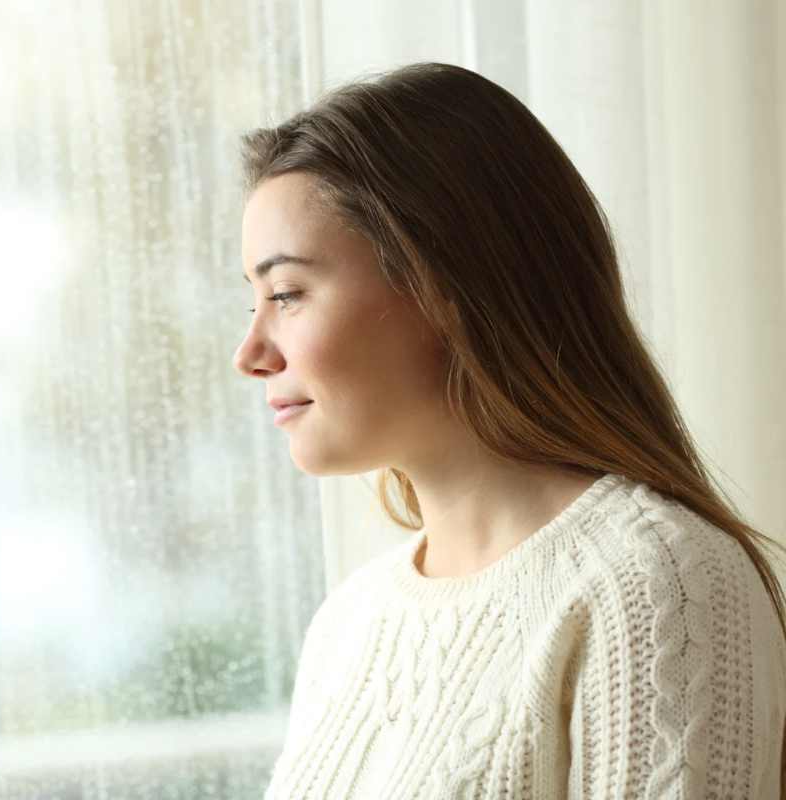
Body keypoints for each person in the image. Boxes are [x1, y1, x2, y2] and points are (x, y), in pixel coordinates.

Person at [232, 62, 786, 798]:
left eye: (288, 294)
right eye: (253, 303)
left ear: (446, 284)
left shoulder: (657, 582)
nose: (251, 354)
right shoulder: (351, 624)